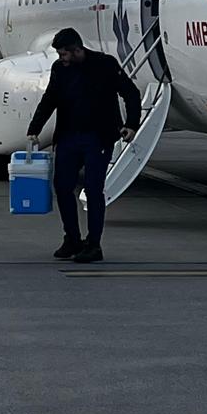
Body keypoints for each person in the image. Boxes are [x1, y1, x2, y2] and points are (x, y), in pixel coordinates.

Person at [27, 27, 141, 263]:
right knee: (62, 186)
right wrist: (34, 129)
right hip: (68, 137)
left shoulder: (105, 65)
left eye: (64, 54)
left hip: (97, 138)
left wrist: (131, 124)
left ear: (77, 49)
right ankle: (72, 239)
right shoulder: (60, 69)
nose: (61, 59)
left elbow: (131, 93)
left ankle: (94, 244)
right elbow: (49, 99)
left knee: (93, 189)